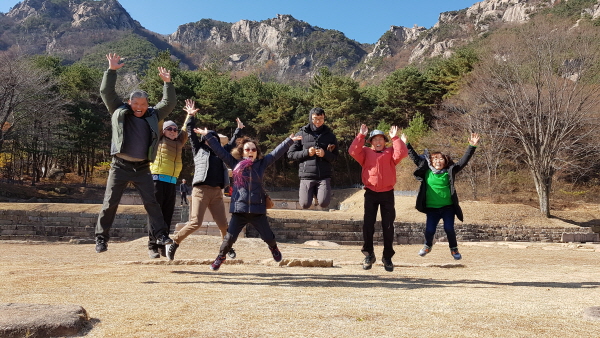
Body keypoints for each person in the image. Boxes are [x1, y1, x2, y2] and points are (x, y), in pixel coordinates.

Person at [94, 53, 175, 253]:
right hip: (120, 166)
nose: (139, 107)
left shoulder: (154, 115)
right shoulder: (118, 110)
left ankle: (161, 235)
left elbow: (169, 102)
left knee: (152, 203)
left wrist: (167, 83)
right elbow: (106, 91)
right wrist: (111, 70)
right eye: (135, 104)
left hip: (142, 167)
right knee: (110, 203)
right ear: (129, 103)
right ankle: (101, 238)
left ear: (148, 104)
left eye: (143, 104)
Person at [195, 127, 302, 271]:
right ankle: (220, 257)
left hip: (258, 210)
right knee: (229, 239)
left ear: (257, 152)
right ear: (242, 152)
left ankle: (274, 248)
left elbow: (276, 153)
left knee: (268, 236)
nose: (250, 152)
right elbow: (220, 151)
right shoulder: (235, 164)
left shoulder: (262, 164)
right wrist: (208, 136)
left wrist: (289, 141)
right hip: (240, 210)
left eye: (253, 149)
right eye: (247, 150)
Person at [166, 100, 245, 261]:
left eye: (214, 138)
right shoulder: (199, 150)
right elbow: (190, 131)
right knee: (195, 222)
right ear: (204, 139)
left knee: (224, 224)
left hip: (217, 192)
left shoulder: (221, 153)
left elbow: (230, 145)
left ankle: (227, 247)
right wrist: (190, 116)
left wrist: (238, 129)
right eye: (209, 138)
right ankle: (174, 242)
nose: (211, 140)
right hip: (200, 191)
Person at [404, 133, 480, 260]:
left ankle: (454, 249)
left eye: (440, 159)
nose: (438, 161)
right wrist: (407, 144)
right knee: (429, 230)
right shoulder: (427, 171)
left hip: (448, 208)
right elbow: (415, 158)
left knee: (449, 228)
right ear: (431, 162)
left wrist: (472, 146)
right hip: (432, 208)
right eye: (435, 159)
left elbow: (463, 161)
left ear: (445, 161)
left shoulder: (449, 171)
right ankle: (427, 245)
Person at [348, 125, 407, 272]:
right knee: (368, 225)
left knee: (388, 226)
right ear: (371, 142)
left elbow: (402, 153)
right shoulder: (365, 152)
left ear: (385, 141)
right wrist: (360, 136)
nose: (378, 141)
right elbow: (352, 151)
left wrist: (396, 138)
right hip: (370, 193)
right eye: (375, 139)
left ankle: (387, 257)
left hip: (387, 193)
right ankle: (369, 254)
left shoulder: (390, 151)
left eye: (381, 139)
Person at [147, 114, 190, 258]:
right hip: (157, 179)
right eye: (169, 129)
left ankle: (161, 245)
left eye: (175, 129)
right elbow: (158, 123)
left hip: (171, 182)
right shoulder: (158, 139)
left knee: (167, 214)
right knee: (155, 214)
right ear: (163, 131)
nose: (173, 131)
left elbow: (185, 128)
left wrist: (189, 114)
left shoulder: (179, 142)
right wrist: (163, 111)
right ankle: (152, 245)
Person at [287, 107, 338, 209]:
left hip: (324, 175)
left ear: (324, 118)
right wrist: (306, 153)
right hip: (307, 175)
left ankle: (317, 193)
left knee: (324, 203)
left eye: (321, 119)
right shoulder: (301, 134)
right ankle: (313, 192)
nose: (318, 121)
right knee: (305, 204)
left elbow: (335, 157)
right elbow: (290, 154)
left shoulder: (330, 136)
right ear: (310, 118)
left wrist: (325, 154)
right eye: (315, 118)